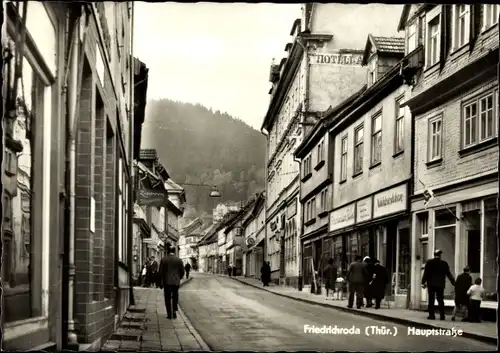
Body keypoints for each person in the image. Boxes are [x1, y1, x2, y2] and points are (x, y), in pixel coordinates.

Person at [421, 249, 455, 320]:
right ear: (440, 255)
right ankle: (442, 316)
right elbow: (448, 274)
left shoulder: (429, 262)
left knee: (431, 300)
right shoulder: (444, 263)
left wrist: (423, 282)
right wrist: (453, 282)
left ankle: (431, 315)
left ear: (434, 255)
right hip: (440, 285)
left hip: (431, 284)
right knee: (440, 300)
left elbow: (426, 273)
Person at [158, 246, 185, 320]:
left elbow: (160, 272)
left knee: (167, 298)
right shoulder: (179, 260)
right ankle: (174, 312)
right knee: (175, 297)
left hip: (167, 282)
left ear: (167, 251)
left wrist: (160, 282)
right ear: (174, 251)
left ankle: (169, 314)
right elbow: (182, 271)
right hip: (176, 282)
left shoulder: (164, 260)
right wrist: (179, 278)